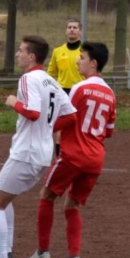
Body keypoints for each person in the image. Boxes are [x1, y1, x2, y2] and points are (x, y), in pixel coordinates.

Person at [0, 36, 76, 258]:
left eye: (21, 51)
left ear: (31, 57)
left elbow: (32, 113)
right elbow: (71, 116)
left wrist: (14, 103)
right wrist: (48, 128)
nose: (17, 54)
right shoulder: (52, 82)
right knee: (4, 199)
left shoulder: (27, 79)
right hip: (42, 155)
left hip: (26, 153)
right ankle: (7, 252)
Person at [24, 42, 116, 258]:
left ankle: (43, 252)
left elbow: (67, 117)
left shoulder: (79, 88)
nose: (77, 61)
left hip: (74, 154)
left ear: (93, 63)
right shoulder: (110, 93)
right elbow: (108, 131)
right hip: (96, 159)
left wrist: (47, 133)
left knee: (46, 195)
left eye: (82, 58)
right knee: (71, 204)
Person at [47, 19, 84, 156]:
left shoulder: (85, 51)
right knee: (61, 126)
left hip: (81, 92)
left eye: (75, 27)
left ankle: (79, 154)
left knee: (79, 124)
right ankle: (59, 156)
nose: (72, 30)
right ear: (65, 30)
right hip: (63, 92)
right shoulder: (58, 51)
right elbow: (51, 74)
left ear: (80, 31)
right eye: (69, 27)